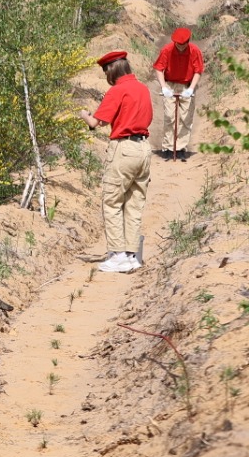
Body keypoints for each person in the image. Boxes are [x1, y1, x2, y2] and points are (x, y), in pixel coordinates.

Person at [79, 50, 152, 274]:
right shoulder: (143, 89)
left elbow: (96, 122)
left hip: (124, 148)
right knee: (134, 203)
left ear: (111, 69)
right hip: (144, 149)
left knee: (112, 202)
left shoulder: (117, 90)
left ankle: (117, 254)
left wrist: (83, 114)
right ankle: (131, 256)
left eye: (105, 71)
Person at [152, 26, 204, 161]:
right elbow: (159, 69)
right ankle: (168, 147)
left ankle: (180, 147)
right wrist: (164, 87)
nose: (180, 47)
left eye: (183, 44)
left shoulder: (194, 51)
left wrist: (191, 89)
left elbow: (198, 71)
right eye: (178, 44)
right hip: (170, 84)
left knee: (186, 117)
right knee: (170, 116)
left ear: (188, 42)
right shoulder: (167, 50)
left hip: (187, 84)